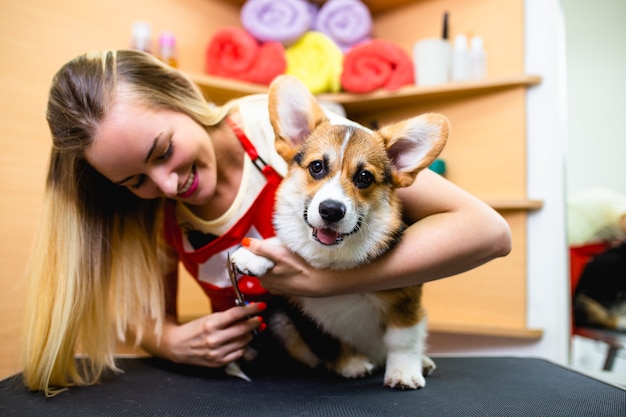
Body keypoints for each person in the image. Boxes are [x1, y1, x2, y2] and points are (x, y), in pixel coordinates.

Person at [23, 49, 512, 396]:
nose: (167, 186)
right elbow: (149, 319)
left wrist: (325, 281)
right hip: (248, 386)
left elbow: (486, 231)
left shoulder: (299, 135)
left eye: (164, 151)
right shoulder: (149, 210)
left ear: (181, 94)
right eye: (135, 180)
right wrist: (170, 341)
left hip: (348, 381)